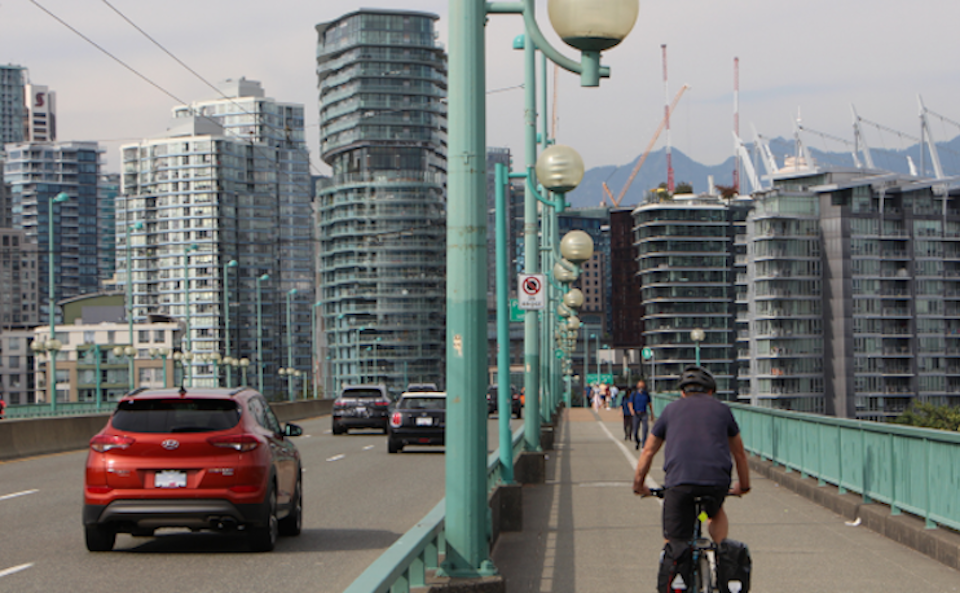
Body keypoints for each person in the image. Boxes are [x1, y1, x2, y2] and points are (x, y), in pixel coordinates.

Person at [632, 365, 750, 545]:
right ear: (711, 391)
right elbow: (739, 454)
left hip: (679, 483)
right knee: (713, 512)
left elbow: (648, 451)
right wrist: (744, 486)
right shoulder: (723, 410)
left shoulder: (670, 411)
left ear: (682, 393)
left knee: (672, 540)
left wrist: (639, 484)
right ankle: (721, 553)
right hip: (716, 483)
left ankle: (675, 563)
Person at [629, 379, 655, 450]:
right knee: (635, 430)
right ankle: (637, 441)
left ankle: (644, 444)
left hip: (644, 413)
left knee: (645, 429)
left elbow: (650, 404)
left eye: (642, 385)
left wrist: (652, 414)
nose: (641, 387)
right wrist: (631, 410)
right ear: (637, 386)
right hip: (636, 414)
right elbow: (630, 403)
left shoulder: (646, 394)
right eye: (639, 385)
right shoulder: (634, 394)